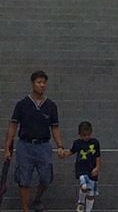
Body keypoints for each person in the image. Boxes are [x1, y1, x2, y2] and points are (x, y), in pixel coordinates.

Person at [4, 71, 65, 212]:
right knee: (24, 180)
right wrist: (7, 147)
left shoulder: (51, 105)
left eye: (44, 82)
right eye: (39, 82)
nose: (42, 85)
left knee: (45, 178)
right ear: (33, 84)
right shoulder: (22, 104)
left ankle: (37, 199)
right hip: (25, 146)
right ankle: (25, 209)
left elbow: (55, 127)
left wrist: (60, 146)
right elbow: (13, 126)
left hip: (43, 146)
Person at [60, 121, 101, 212]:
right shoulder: (77, 143)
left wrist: (97, 167)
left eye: (88, 135)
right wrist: (64, 154)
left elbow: (98, 156)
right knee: (84, 185)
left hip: (92, 169)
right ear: (79, 134)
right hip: (81, 169)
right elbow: (72, 151)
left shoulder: (95, 142)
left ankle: (88, 210)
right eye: (84, 135)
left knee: (91, 193)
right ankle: (81, 202)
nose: (86, 137)